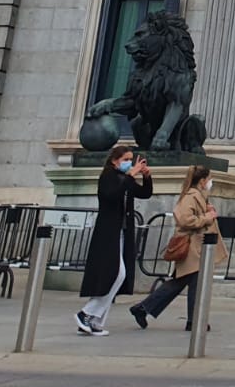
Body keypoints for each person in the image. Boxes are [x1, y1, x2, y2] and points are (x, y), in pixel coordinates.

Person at [130, 164, 222, 331]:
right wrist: (207, 217)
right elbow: (185, 219)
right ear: (202, 181)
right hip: (192, 245)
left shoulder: (198, 196)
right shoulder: (191, 196)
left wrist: (207, 212)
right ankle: (194, 320)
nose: (210, 182)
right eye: (208, 179)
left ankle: (145, 308)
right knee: (192, 281)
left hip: (197, 246)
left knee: (183, 281)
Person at [75, 144, 152, 335]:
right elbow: (111, 195)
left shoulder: (125, 179)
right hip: (108, 231)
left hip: (121, 231)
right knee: (116, 274)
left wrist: (146, 176)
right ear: (114, 160)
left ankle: (95, 320)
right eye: (125, 159)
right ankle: (87, 313)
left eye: (130, 159)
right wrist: (130, 175)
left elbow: (144, 193)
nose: (129, 163)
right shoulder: (108, 177)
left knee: (118, 276)